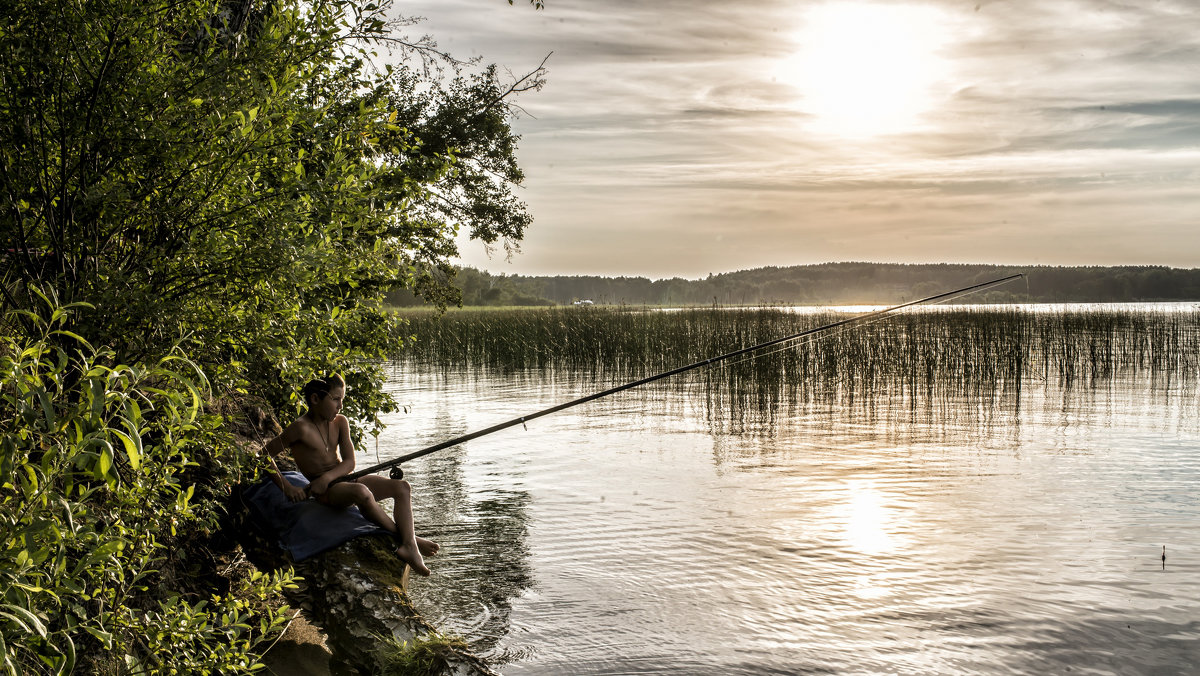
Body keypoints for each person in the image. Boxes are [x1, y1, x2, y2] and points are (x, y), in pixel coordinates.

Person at [261, 375, 437, 576]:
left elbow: (350, 463)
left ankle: (409, 542)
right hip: (328, 493)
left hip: (345, 481)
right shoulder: (300, 428)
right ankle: (410, 542)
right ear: (316, 399)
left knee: (402, 487)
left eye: (342, 400)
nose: (340, 406)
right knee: (362, 492)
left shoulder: (340, 422)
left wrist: (326, 477)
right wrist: (288, 487)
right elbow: (263, 456)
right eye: (335, 399)